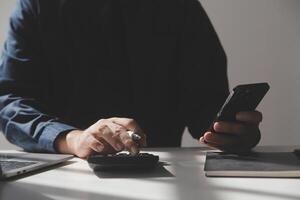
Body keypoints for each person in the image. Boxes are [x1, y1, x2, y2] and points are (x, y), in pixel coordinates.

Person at [0, 0, 262, 159]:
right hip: (62, 174)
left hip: (166, 176)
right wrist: (73, 139)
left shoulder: (179, 7)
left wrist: (230, 133)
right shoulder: (37, 5)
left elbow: (206, 107)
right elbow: (9, 102)